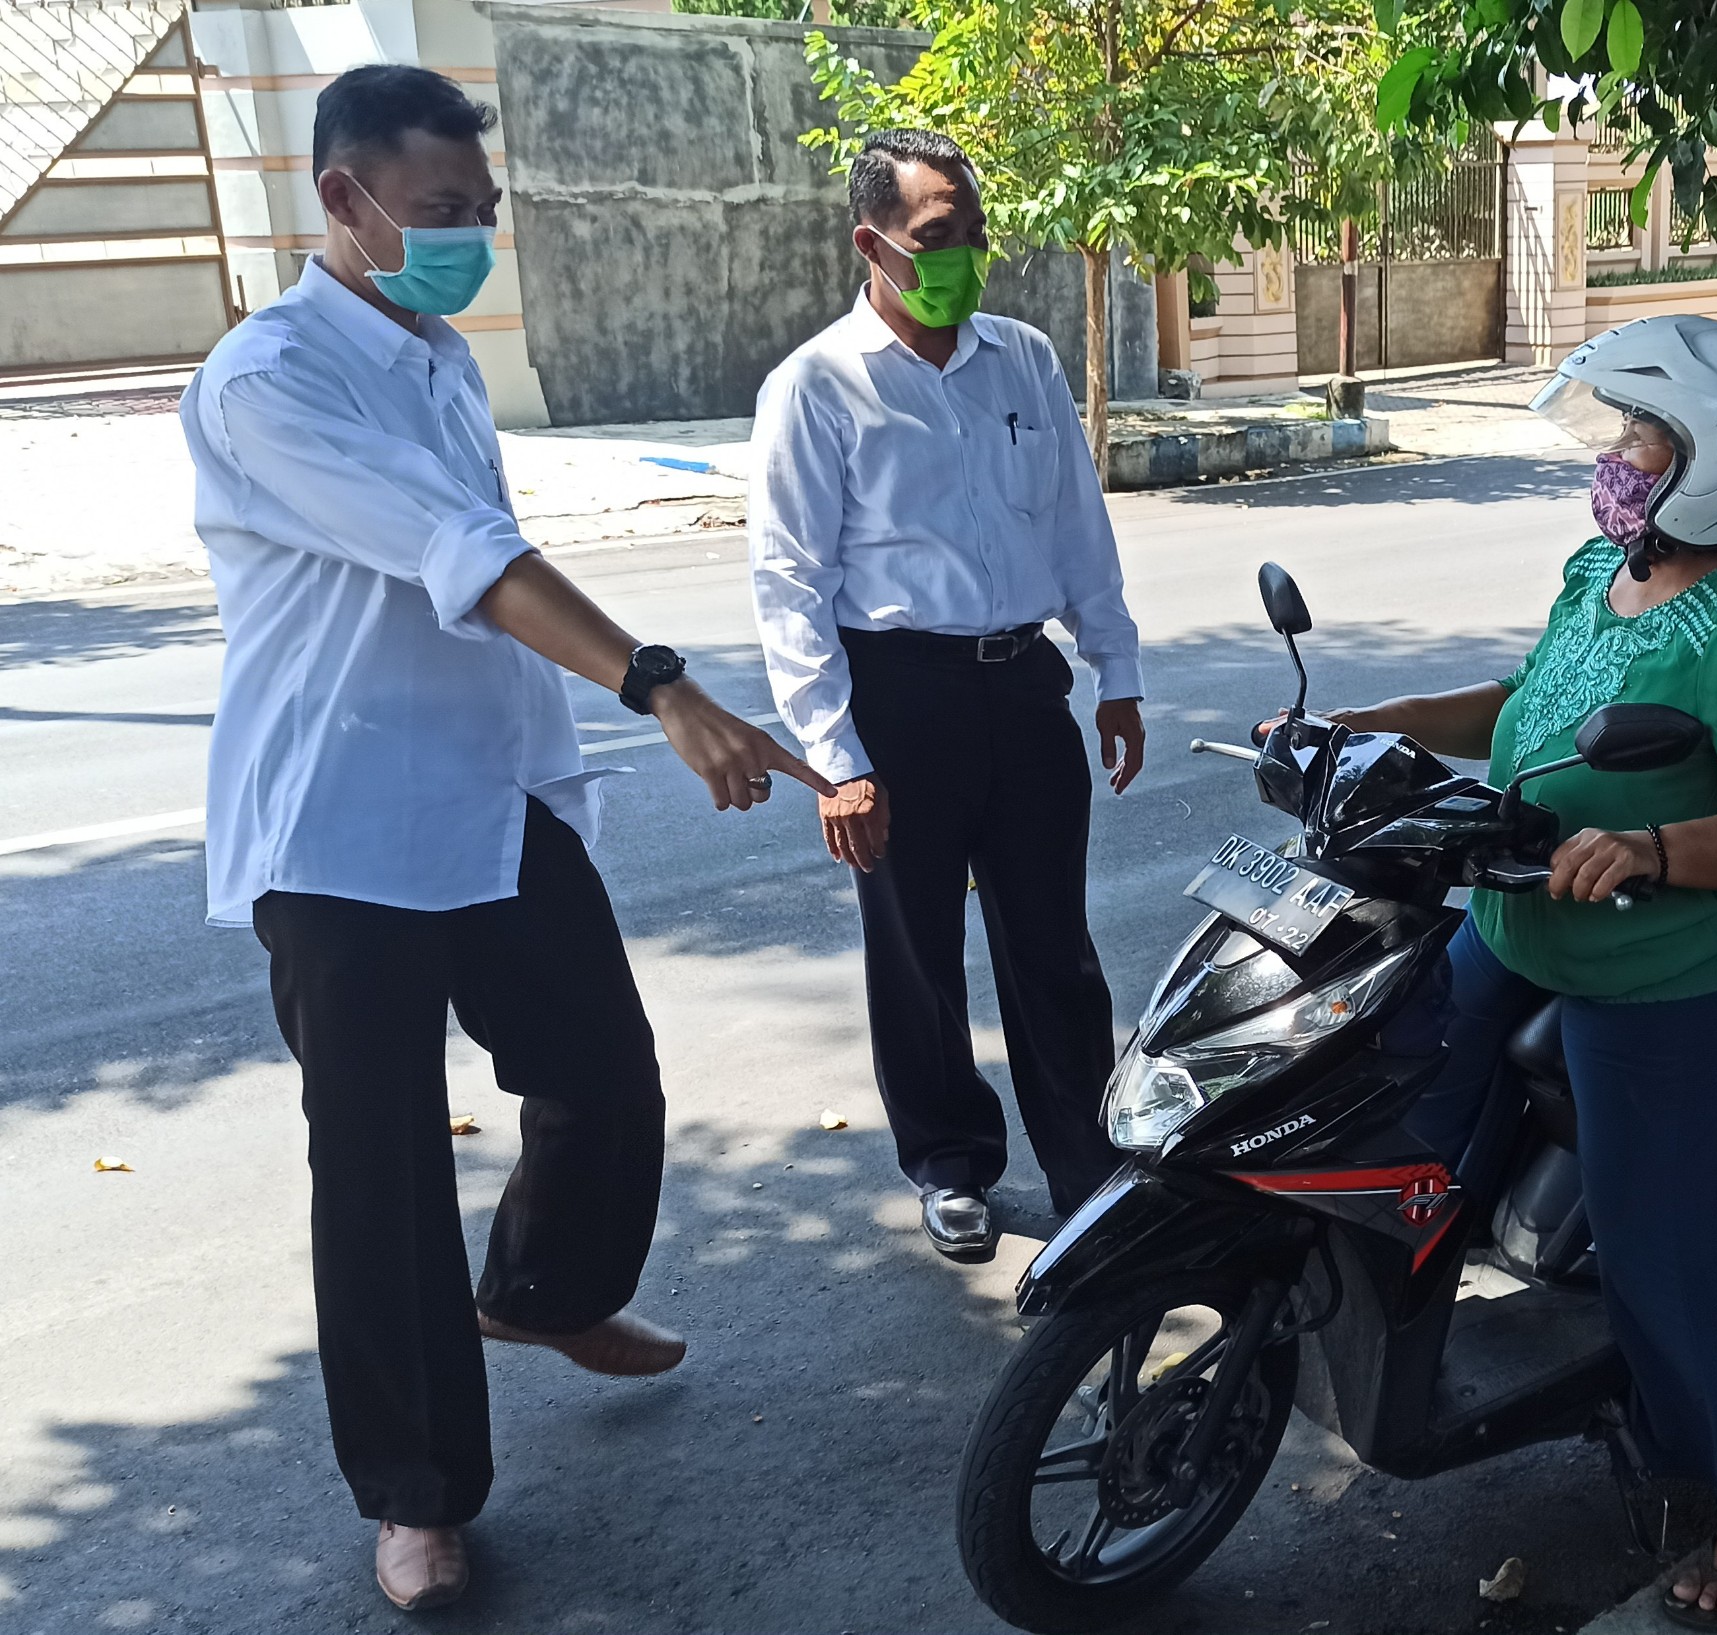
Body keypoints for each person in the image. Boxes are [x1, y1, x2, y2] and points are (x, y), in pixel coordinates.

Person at [177, 64, 829, 1612]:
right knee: (384, 1165)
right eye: (439, 212)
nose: (470, 238)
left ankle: (546, 1290)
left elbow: (476, 568)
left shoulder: (435, 357)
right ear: (340, 200)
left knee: (604, 1072)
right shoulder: (268, 378)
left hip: (493, 796)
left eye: (481, 212)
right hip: (340, 825)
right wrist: (660, 684)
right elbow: (461, 550)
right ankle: (415, 1494)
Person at [1318, 316, 1717, 1629]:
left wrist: (1654, 844)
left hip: (1656, 969)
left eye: (1642, 440)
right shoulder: (1593, 573)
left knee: (1662, 1239)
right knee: (1387, 1095)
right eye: (1620, 434)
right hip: (1513, 917)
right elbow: (1524, 703)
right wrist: (1381, 722)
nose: (1614, 458)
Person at [748, 129, 1141, 1263]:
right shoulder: (815, 388)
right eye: (936, 237)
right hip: (897, 698)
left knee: (1053, 946)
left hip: (1021, 687)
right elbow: (789, 585)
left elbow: (1077, 524)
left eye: (973, 231)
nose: (965, 253)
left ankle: (1089, 1167)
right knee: (915, 951)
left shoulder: (1021, 360)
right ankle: (952, 1162)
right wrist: (836, 756)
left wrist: (1117, 673)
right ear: (871, 244)